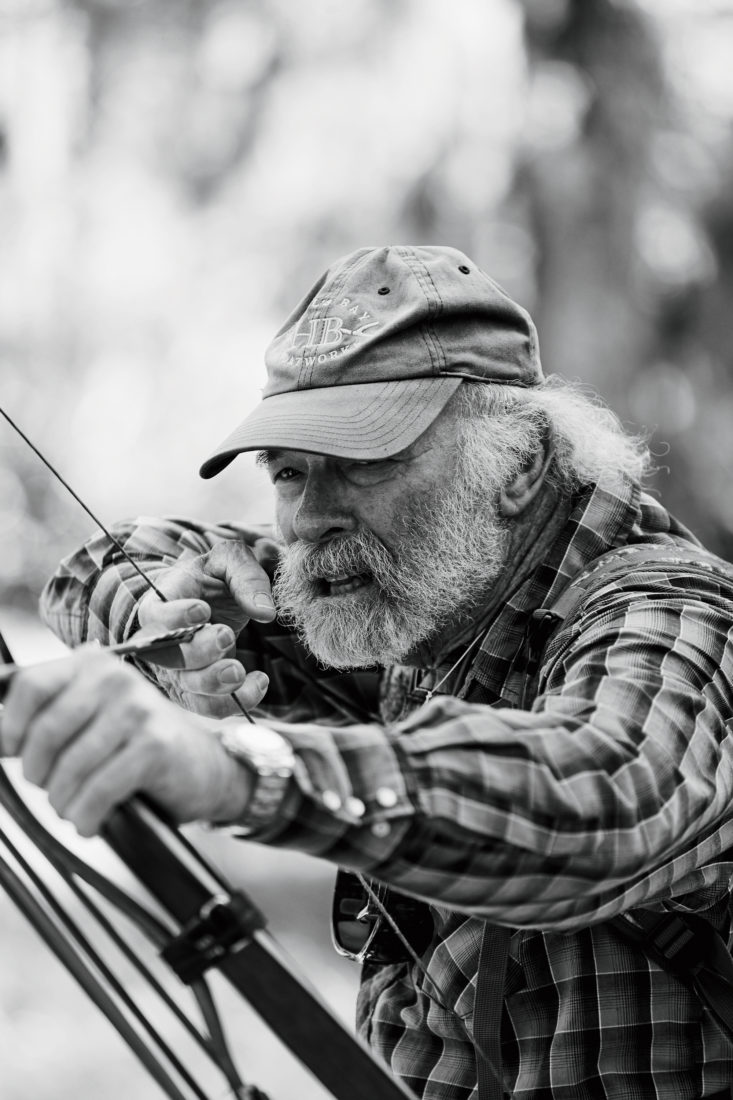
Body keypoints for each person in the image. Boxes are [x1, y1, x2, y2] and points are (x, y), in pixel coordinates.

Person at [3, 244, 733, 1100]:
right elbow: (92, 568)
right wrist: (167, 615)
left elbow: (603, 793)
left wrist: (238, 772)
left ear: (522, 463)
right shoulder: (418, 597)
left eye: (364, 460)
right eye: (289, 472)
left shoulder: (674, 612)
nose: (310, 517)